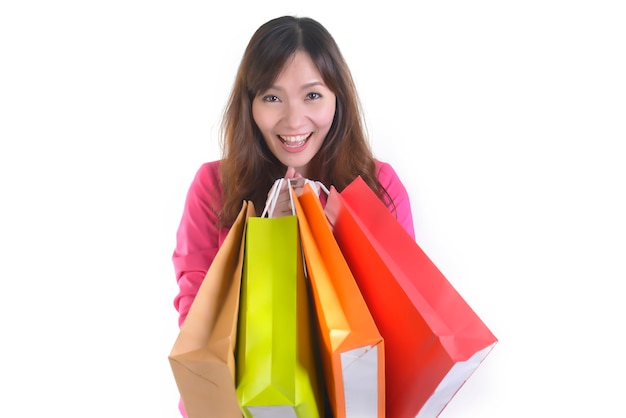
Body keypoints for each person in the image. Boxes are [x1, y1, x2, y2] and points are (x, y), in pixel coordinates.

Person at [171, 15, 415, 414]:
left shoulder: (377, 186)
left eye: (313, 95)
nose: (294, 120)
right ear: (249, 104)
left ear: (339, 98)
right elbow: (198, 330)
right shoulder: (214, 187)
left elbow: (401, 328)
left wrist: (347, 246)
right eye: (272, 97)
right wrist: (270, 242)